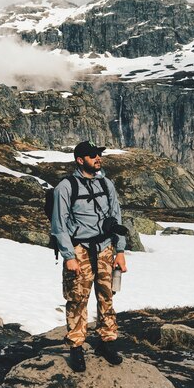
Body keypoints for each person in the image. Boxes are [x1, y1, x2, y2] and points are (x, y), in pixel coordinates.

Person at [50, 140, 128, 372]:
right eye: (92, 155)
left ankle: (107, 341)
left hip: (105, 248)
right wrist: (68, 255)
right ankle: (76, 346)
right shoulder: (65, 187)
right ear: (80, 159)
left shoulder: (107, 184)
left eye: (98, 155)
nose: (98, 158)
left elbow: (117, 218)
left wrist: (120, 251)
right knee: (77, 298)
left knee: (106, 295)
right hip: (79, 249)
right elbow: (59, 225)